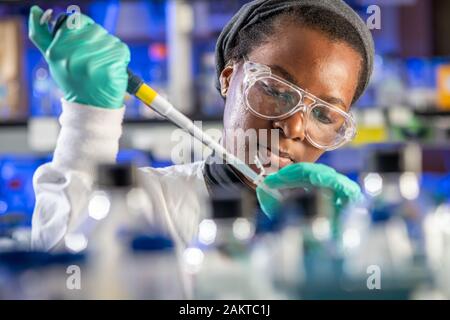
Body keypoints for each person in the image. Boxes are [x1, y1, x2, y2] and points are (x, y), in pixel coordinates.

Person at [30, 0, 374, 251]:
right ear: (228, 78)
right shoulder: (147, 205)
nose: (295, 127)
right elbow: (58, 263)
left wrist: (359, 246)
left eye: (325, 114)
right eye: (274, 90)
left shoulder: (343, 229)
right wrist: (89, 116)